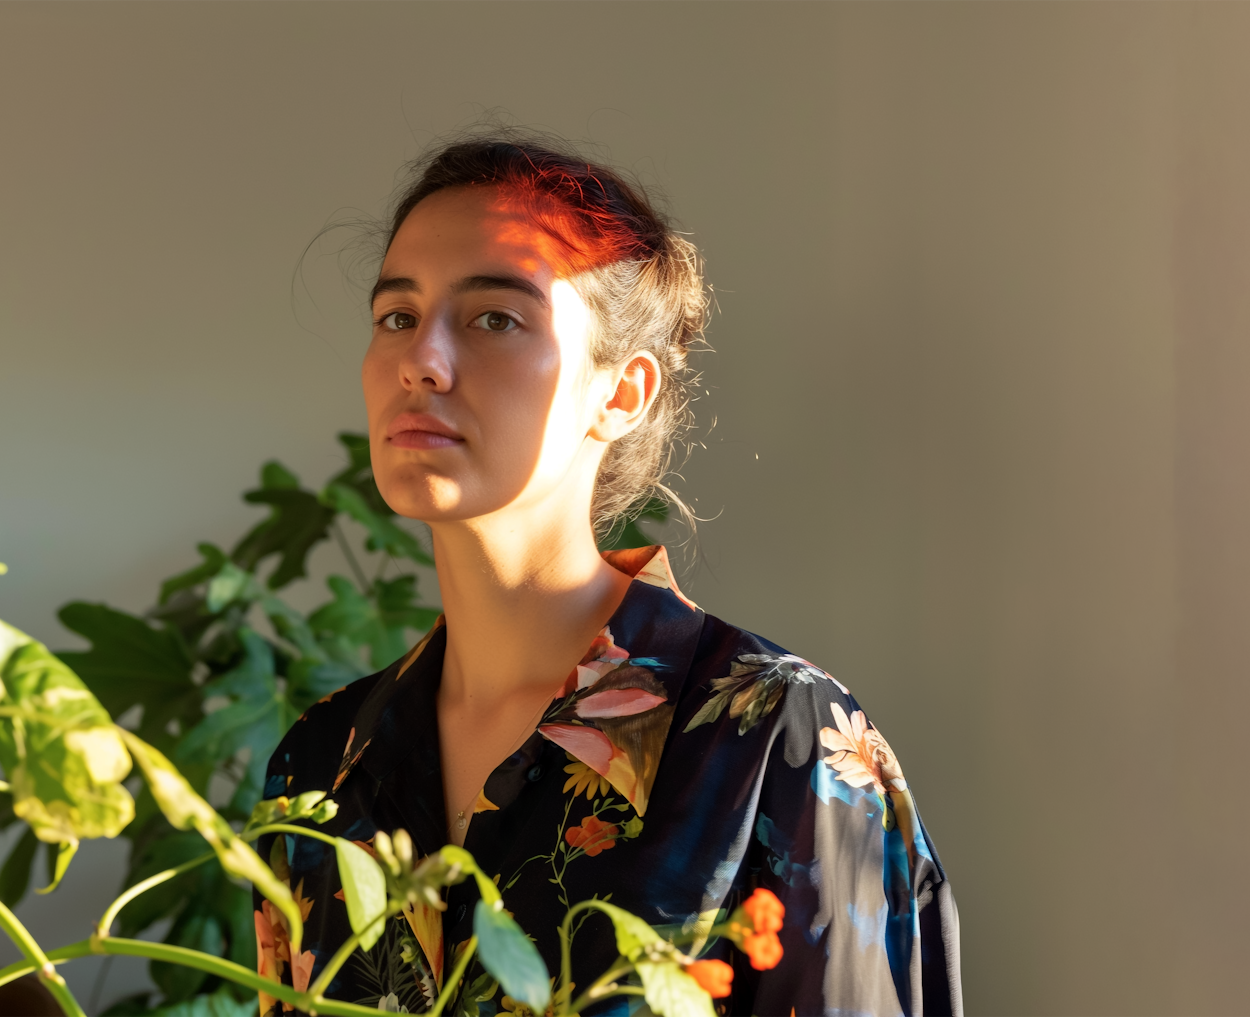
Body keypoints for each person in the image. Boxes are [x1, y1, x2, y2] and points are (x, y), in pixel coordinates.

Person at [254, 135, 961, 1017]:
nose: (420, 360)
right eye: (397, 315)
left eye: (494, 318)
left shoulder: (775, 741)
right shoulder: (319, 769)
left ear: (619, 393)